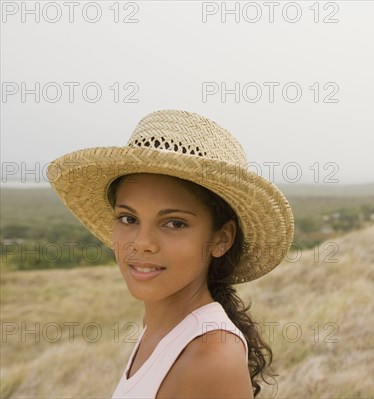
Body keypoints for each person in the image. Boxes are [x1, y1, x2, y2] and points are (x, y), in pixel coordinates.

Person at [48, 110, 295, 398]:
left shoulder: (211, 360)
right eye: (128, 219)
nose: (142, 243)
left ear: (221, 238)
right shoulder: (157, 328)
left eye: (174, 223)